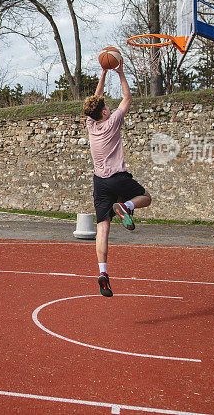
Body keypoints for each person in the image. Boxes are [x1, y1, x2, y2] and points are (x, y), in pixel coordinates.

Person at [83, 52, 152, 297]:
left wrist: (103, 73)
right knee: (146, 197)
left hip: (100, 183)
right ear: (103, 112)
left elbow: (96, 98)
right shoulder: (113, 121)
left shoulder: (91, 124)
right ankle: (127, 206)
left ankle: (102, 273)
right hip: (118, 178)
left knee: (102, 229)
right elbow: (127, 97)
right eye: (105, 107)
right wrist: (120, 73)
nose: (108, 106)